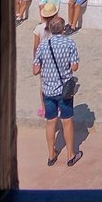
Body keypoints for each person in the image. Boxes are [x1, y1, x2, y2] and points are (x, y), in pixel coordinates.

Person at [32, 15, 82, 168]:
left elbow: (35, 70)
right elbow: (74, 67)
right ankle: (70, 155)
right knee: (67, 122)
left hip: (48, 89)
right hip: (64, 89)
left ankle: (51, 155)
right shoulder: (69, 43)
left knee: (50, 122)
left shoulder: (43, 45)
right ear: (63, 28)